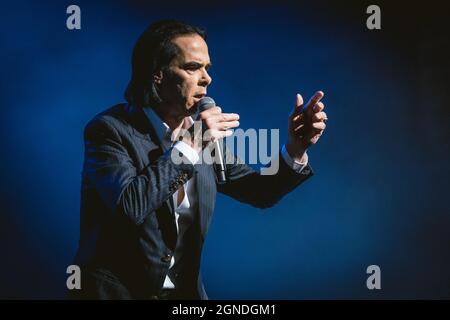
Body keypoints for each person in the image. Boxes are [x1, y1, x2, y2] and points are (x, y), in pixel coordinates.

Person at [70, 20, 328, 300]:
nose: (207, 78)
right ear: (157, 74)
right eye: (193, 67)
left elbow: (260, 191)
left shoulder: (201, 138)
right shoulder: (110, 130)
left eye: (207, 68)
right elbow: (129, 206)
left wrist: (295, 149)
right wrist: (190, 145)